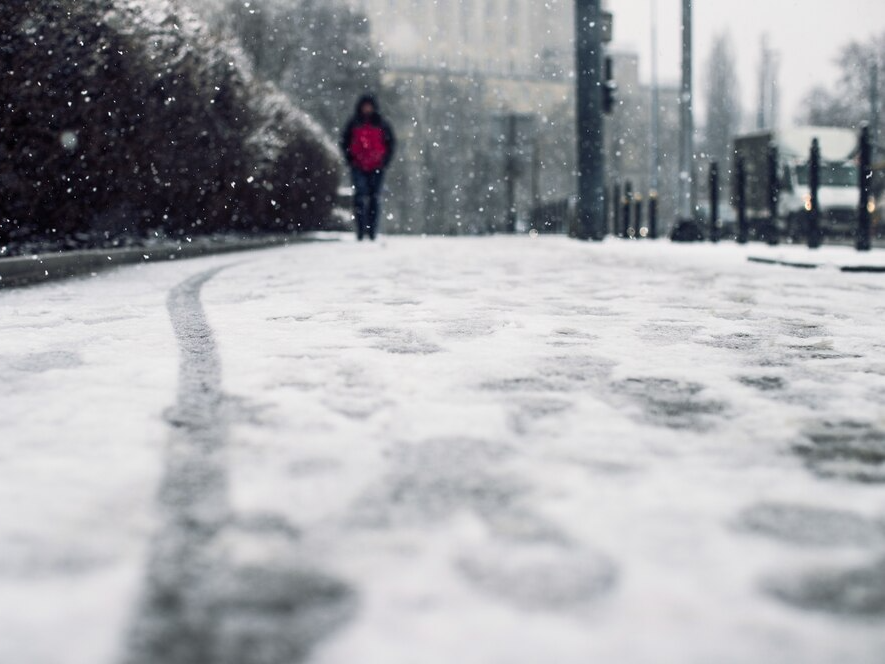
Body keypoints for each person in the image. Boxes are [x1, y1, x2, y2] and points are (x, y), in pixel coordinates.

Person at [341, 94, 396, 241]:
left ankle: (372, 232)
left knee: (374, 199)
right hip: (358, 166)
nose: (367, 109)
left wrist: (384, 161)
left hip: (377, 166)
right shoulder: (353, 123)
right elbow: (345, 142)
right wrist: (351, 160)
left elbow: (390, 144)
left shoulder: (382, 123)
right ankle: (360, 231)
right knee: (360, 197)